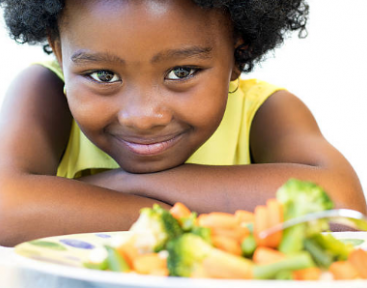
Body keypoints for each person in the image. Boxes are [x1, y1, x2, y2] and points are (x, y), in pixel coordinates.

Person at [0, 0, 365, 247]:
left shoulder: (264, 111)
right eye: (103, 75)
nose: (142, 117)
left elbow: (343, 209)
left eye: (181, 72)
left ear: (239, 51)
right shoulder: (45, 92)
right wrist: (189, 221)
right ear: (60, 52)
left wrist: (121, 184)